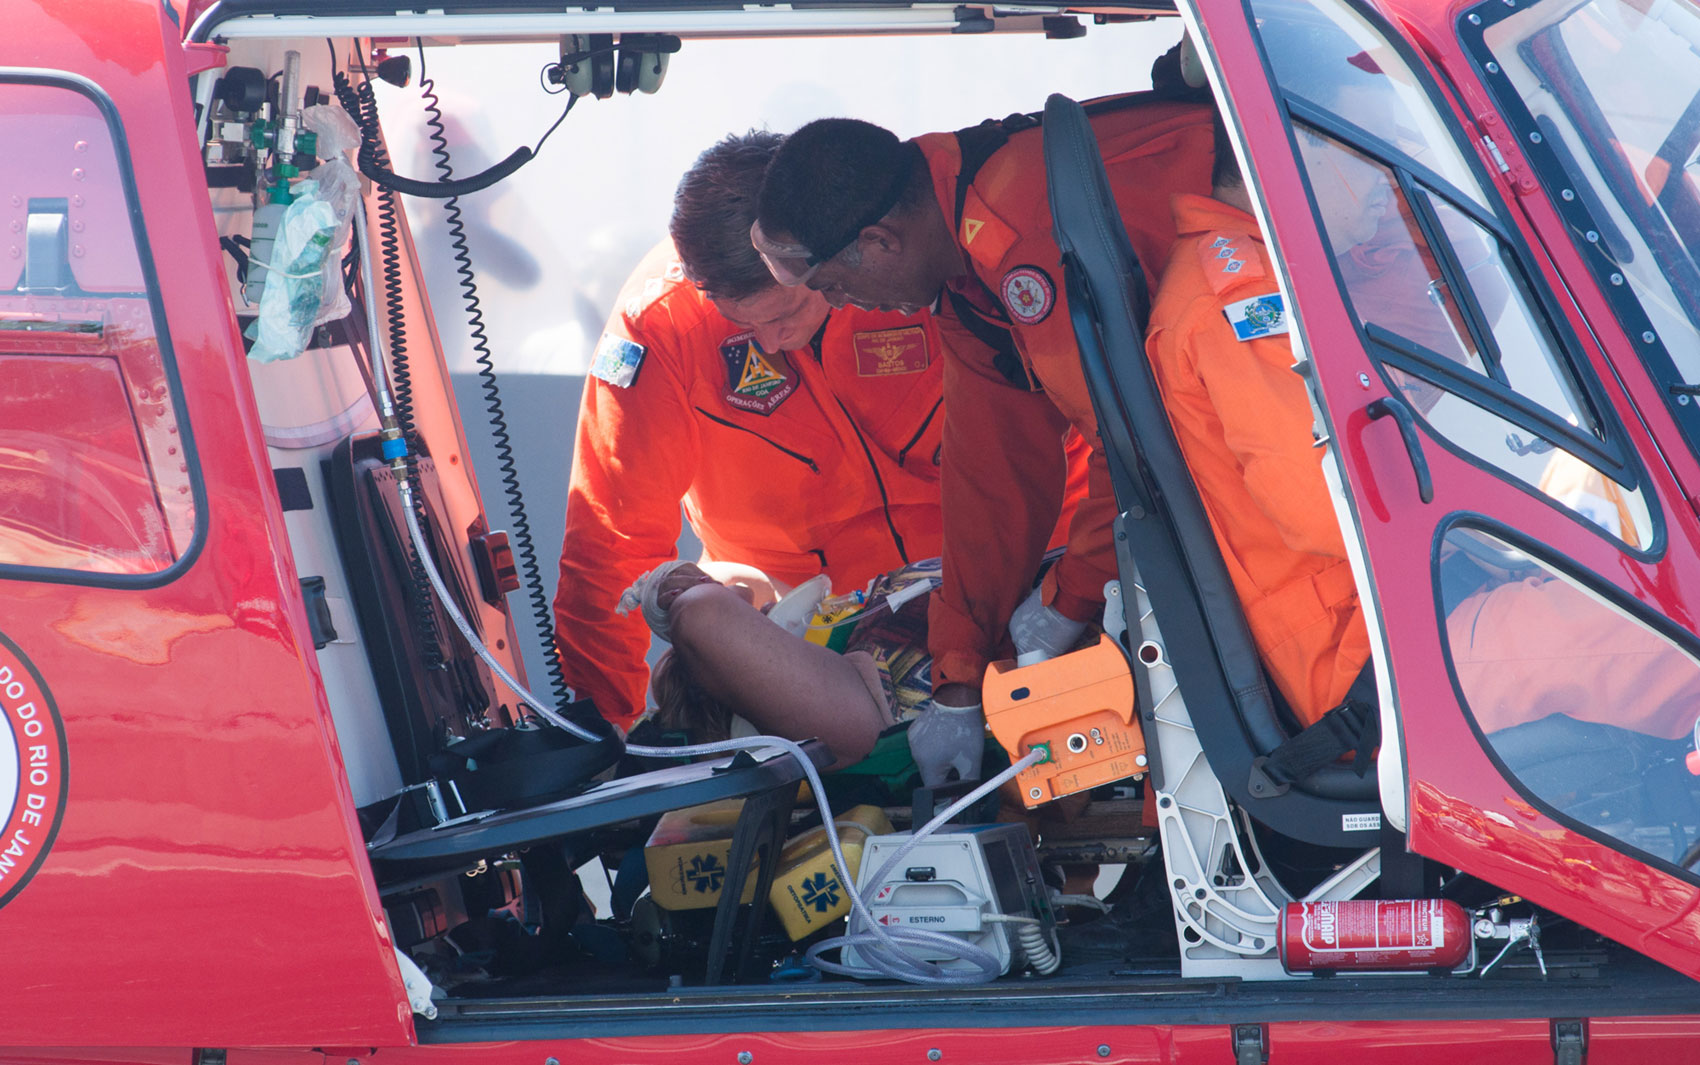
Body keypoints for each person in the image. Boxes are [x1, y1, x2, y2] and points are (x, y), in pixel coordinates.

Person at [752, 87, 1215, 781]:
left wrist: (1070, 597)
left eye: (836, 285)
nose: (844, 307)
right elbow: (990, 483)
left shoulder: (1019, 234)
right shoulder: (967, 276)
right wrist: (958, 675)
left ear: (878, 242)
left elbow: (1144, 450)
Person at [554, 132, 948, 731]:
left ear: (832, 256)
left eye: (787, 313)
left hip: (979, 596)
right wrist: (609, 734)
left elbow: (1059, 440)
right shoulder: (660, 326)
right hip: (796, 648)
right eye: (742, 324)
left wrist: (1070, 597)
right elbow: (611, 544)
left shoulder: (912, 259)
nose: (771, 345)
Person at [1142, 120, 1377, 728]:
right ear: (1292, 153)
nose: (1381, 173)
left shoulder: (1267, 267)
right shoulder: (1235, 297)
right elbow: (1326, 509)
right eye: (1360, 145)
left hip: (1380, 609)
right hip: (1360, 646)